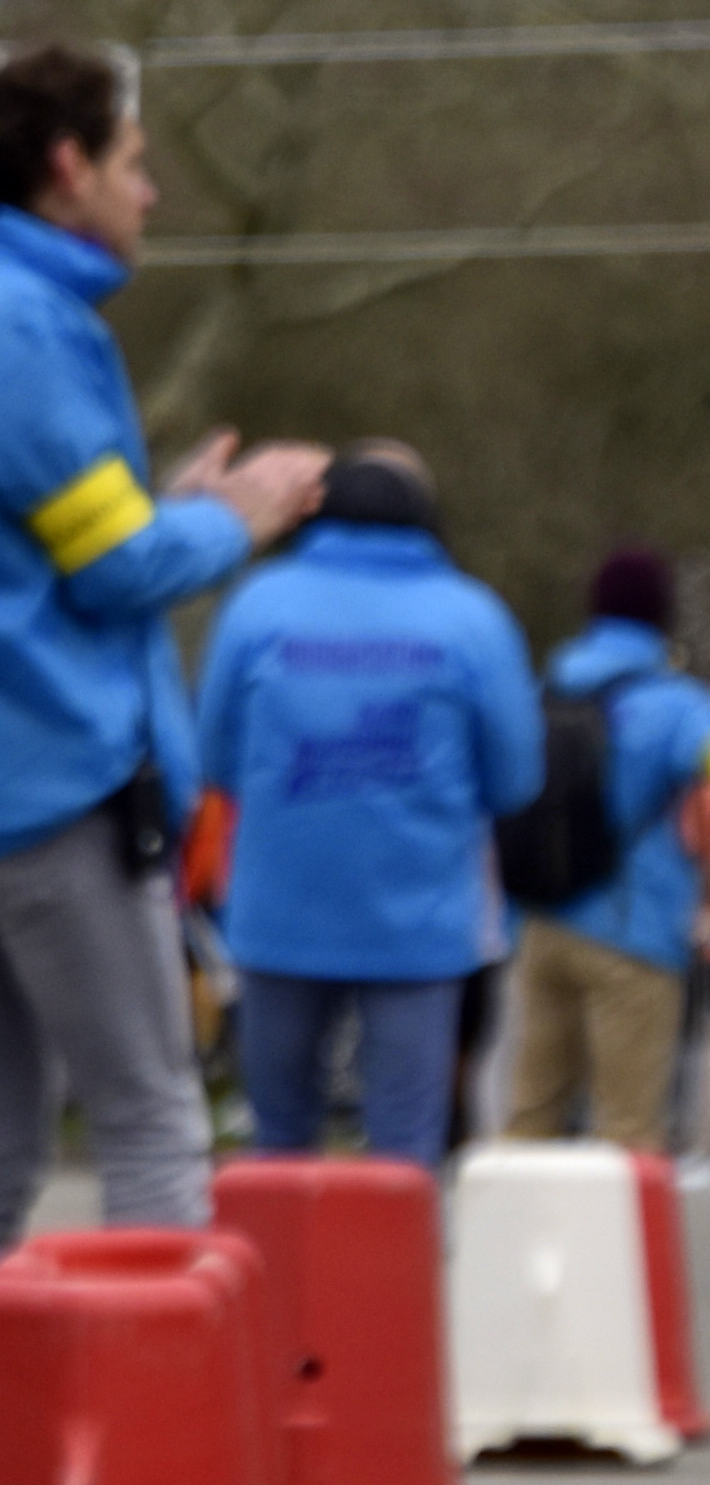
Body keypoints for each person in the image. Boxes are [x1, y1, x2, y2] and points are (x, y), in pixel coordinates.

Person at [0, 43, 330, 1485]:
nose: (151, 189)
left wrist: (163, 503)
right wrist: (240, 515)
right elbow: (115, 573)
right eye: (131, 159)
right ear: (64, 165)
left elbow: (49, 538)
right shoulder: (25, 319)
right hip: (48, 779)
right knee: (154, 1124)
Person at [192, 443, 539, 1166]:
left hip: (279, 914)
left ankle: (282, 1243)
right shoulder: (472, 617)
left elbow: (214, 758)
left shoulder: (256, 603)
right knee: (404, 1150)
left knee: (280, 1139)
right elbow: (514, 779)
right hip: (418, 923)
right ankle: (399, 1245)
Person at [503, 546, 710, 1149]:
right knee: (628, 1129)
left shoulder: (544, 687)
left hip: (540, 926)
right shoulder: (679, 706)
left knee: (531, 1118)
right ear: (662, 614)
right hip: (635, 932)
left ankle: (516, 1213)